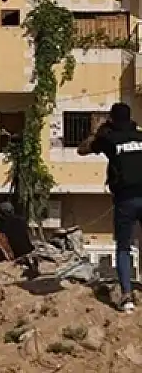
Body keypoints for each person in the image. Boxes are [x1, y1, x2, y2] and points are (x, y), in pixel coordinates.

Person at [78, 102, 142, 311]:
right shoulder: (140, 136)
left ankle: (126, 296)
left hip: (125, 200)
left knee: (123, 247)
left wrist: (97, 131)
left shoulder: (109, 138)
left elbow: (82, 150)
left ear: (112, 118)